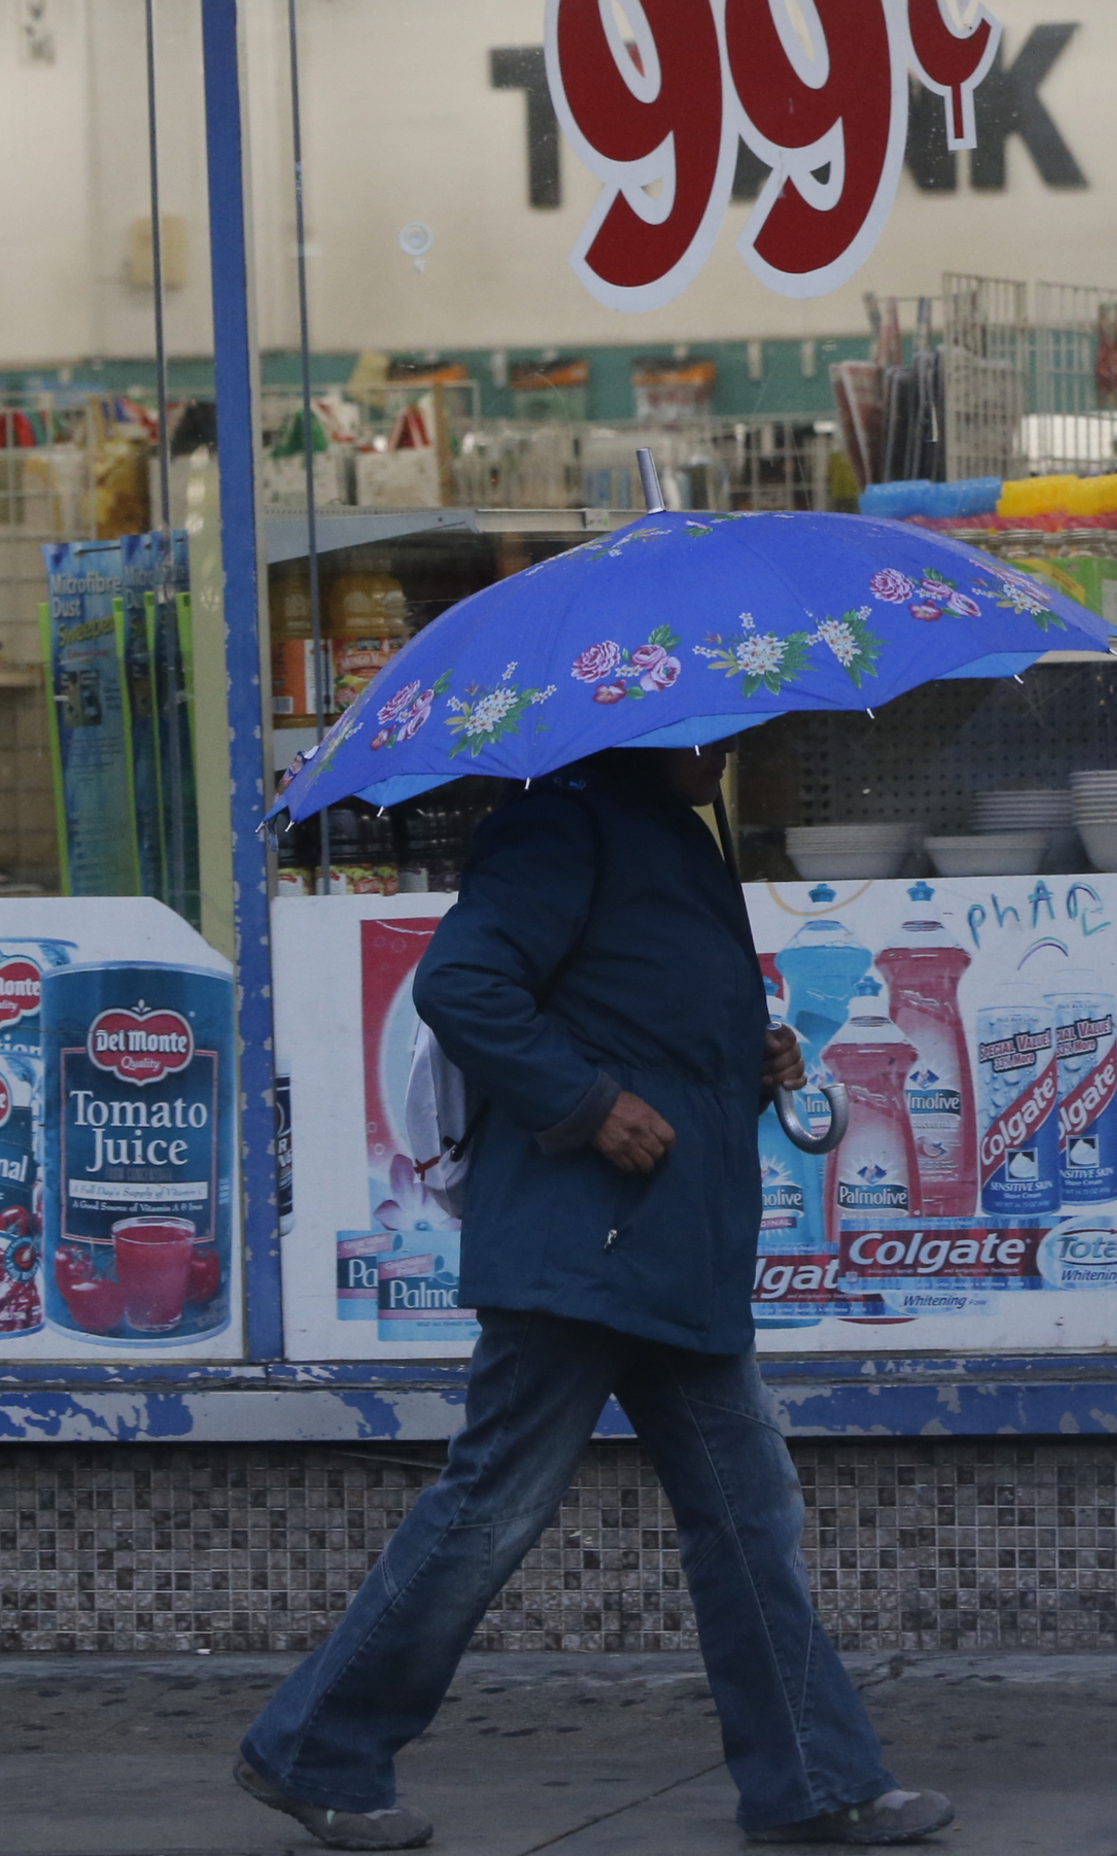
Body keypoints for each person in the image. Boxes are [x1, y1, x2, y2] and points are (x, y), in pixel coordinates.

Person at [236, 742, 952, 1852]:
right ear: (634, 729)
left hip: (671, 1246)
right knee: (493, 1505)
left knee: (747, 1514)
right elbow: (462, 984)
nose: (726, 748)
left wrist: (741, 1052)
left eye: (734, 727)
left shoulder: (674, 832)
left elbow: (631, 1005)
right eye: (704, 729)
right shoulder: (561, 826)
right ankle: (314, 1749)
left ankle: (815, 1778)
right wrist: (586, 1103)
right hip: (583, 1244)